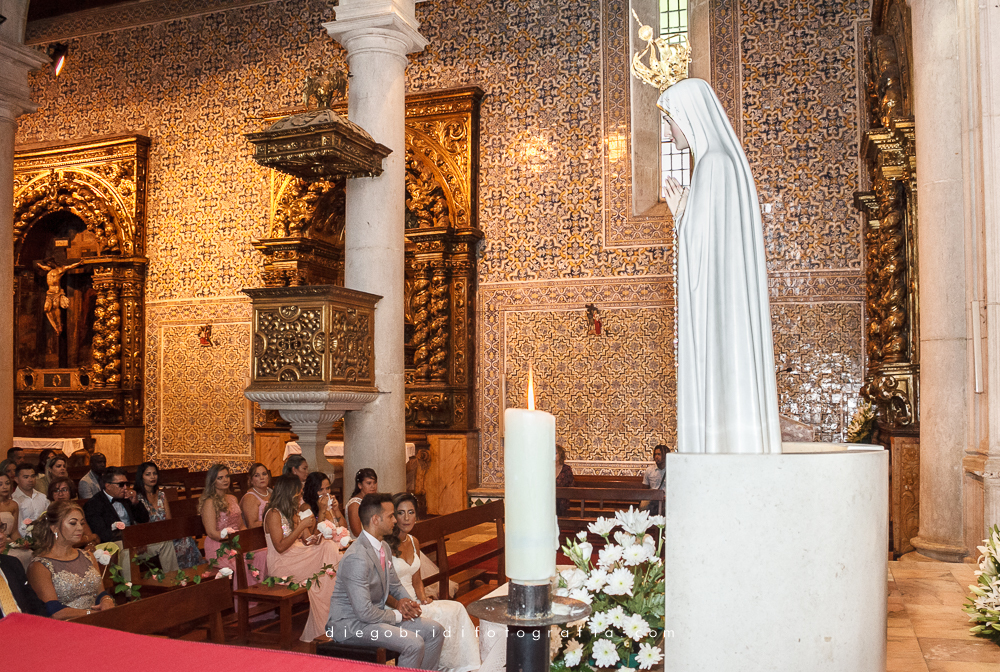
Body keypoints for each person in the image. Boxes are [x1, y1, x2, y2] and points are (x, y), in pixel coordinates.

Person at [659, 78, 782, 455]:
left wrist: (681, 216)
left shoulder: (712, 164)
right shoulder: (723, 163)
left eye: (670, 119)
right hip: (730, 308)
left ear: (690, 115)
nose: (667, 130)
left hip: (722, 313)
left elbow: (706, 256)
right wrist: (686, 216)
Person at [327, 493, 445, 670]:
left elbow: (395, 584)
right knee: (413, 643)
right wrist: (399, 614)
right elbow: (364, 613)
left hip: (373, 619)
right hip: (351, 626)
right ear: (375, 519)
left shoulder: (384, 547)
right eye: (391, 516)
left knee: (436, 631)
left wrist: (409, 604)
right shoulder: (357, 557)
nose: (396, 520)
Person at [389, 492, 480, 672]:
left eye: (411, 512)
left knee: (457, 609)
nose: (406, 518)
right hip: (395, 604)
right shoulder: (386, 545)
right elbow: (383, 587)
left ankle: (459, 666)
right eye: (401, 513)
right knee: (439, 619)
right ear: (393, 516)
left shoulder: (414, 541)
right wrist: (402, 604)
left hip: (415, 600)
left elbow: (417, 580)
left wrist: (423, 598)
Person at [264, 475, 340, 642]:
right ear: (288, 493)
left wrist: (321, 531)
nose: (299, 497)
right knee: (329, 562)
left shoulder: (294, 512)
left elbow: (308, 541)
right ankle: (327, 624)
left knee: (328, 549)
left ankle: (329, 622)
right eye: (297, 494)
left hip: (298, 556)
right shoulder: (273, 514)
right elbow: (281, 547)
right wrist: (300, 527)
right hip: (282, 563)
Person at [27, 501, 115, 619]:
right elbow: (54, 611)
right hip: (66, 627)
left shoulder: (88, 556)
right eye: (73, 523)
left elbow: (100, 593)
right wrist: (91, 614)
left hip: (97, 619)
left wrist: (106, 600)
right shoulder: (40, 566)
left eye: (82, 523)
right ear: (54, 528)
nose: (80, 528)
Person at [83, 467, 179, 575]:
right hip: (114, 546)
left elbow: (143, 519)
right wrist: (131, 541)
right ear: (108, 486)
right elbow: (102, 534)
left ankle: (173, 580)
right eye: (121, 485)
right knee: (126, 551)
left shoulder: (126, 498)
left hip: (134, 541)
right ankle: (130, 590)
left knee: (165, 542)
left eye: (126, 484)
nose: (125, 488)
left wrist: (136, 503)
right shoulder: (94, 504)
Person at [199, 464, 266, 586]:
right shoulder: (209, 502)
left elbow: (241, 526)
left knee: (263, 552)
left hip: (238, 542)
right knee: (243, 563)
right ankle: (245, 599)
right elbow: (211, 533)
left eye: (227, 476)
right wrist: (234, 541)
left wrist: (248, 541)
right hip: (219, 545)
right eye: (220, 478)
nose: (225, 480)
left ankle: (263, 593)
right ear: (213, 481)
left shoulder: (232, 498)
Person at [135, 462, 203, 569]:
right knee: (176, 544)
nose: (152, 477)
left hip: (165, 534)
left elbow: (169, 521)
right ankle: (175, 576)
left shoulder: (161, 495)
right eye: (148, 474)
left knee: (186, 540)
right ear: (141, 477)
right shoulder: (137, 498)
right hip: (149, 538)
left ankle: (191, 573)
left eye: (154, 473)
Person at [0, 519, 47, 617]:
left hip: (26, 626)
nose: (1, 536)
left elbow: (34, 603)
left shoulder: (12, 563)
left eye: (1, 528)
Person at [47, 478, 99, 549]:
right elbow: (61, 542)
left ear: (70, 492)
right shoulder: (50, 513)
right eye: (56, 491)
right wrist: (89, 539)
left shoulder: (76, 510)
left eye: (64, 490)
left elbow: (90, 536)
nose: (60, 494)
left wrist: (90, 544)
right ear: (51, 494)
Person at [12, 463, 49, 538]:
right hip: (22, 540)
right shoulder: (13, 500)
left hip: (44, 538)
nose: (30, 480)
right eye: (26, 477)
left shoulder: (43, 497)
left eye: (32, 476)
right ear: (16, 479)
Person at [346, 468, 378, 539]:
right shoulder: (355, 504)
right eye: (369, 483)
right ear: (360, 485)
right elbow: (357, 533)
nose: (373, 486)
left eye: (374, 482)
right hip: (358, 543)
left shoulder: (373, 500)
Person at [240, 462, 272, 528]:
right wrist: (274, 523)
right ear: (251, 480)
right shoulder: (249, 498)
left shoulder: (272, 492)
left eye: (264, 474)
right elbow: (252, 525)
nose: (262, 478)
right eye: (257, 475)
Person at [640, 445, 667, 515]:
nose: (656, 457)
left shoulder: (672, 470)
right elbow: (644, 490)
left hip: (667, 499)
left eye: (659, 454)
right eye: (655, 454)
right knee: (643, 505)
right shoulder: (649, 470)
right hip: (652, 499)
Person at [555, 444, 575, 517]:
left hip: (562, 501)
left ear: (560, 455)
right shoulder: (546, 468)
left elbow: (571, 486)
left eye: (555, 453)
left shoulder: (566, 469)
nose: (553, 456)